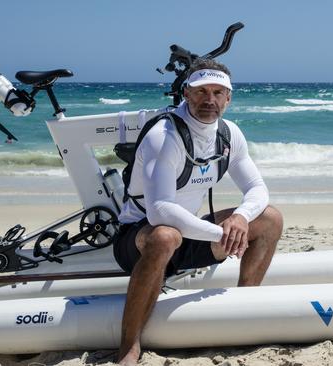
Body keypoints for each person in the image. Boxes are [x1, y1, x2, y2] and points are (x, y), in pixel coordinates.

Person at [114, 59, 283, 365]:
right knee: (166, 236)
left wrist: (241, 218)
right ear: (186, 94)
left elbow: (257, 188)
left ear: (228, 99)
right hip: (140, 241)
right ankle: (129, 346)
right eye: (201, 91)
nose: (210, 99)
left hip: (191, 237)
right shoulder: (163, 136)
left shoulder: (229, 134)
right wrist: (223, 234)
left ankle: (244, 313)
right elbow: (159, 211)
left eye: (218, 92)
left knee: (270, 218)